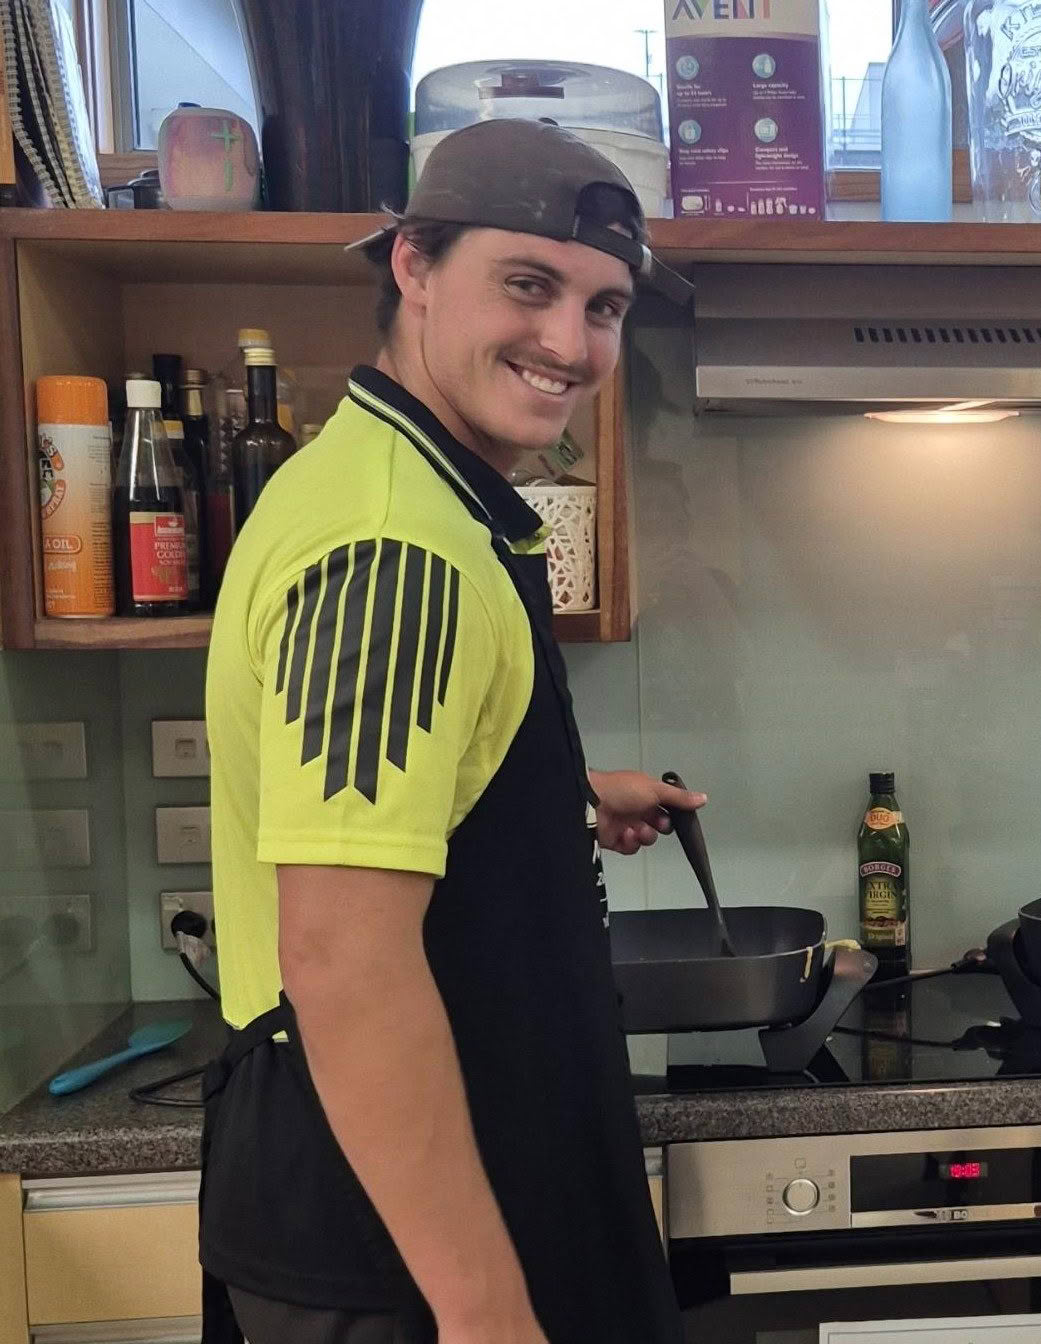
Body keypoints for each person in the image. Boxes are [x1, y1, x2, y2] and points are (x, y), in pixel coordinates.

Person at [201, 119, 699, 1344]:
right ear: (414, 265)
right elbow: (348, 965)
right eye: (528, 286)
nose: (570, 344)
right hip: (398, 1243)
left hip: (408, 1190)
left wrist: (557, 803)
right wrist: (482, 1314)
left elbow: (387, 804)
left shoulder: (395, 481)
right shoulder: (396, 549)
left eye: (605, 306)